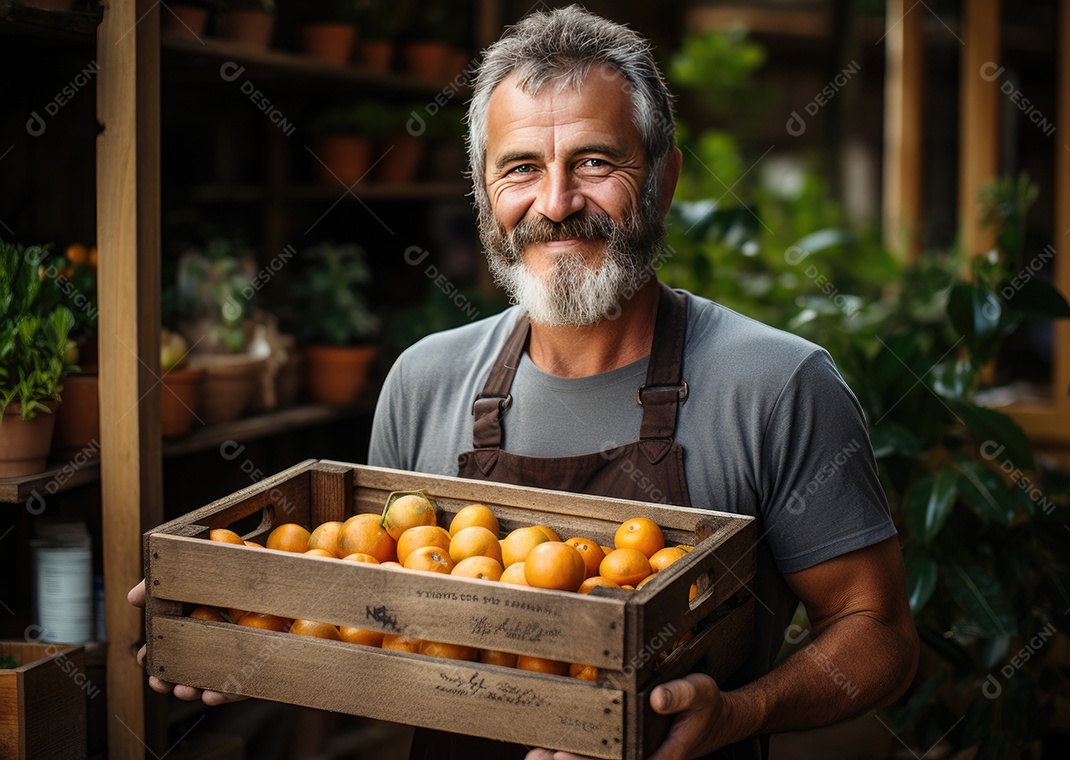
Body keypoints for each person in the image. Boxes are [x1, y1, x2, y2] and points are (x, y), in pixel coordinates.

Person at [132, 6, 918, 759]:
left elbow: (877, 633)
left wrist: (739, 716)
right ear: (483, 193)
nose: (556, 203)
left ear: (665, 180)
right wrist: (239, 635)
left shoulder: (777, 385)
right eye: (521, 169)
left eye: (596, 162)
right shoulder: (424, 382)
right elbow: (377, 626)